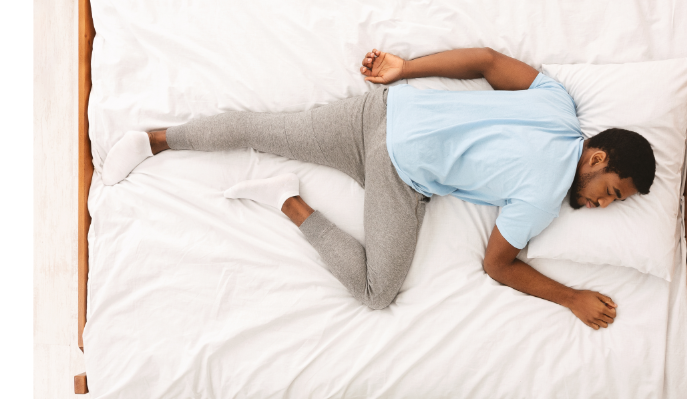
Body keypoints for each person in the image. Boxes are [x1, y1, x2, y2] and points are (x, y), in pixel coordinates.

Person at [102, 48, 656, 330]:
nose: (602, 205)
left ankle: (153, 141)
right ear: (596, 158)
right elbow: (497, 265)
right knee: (375, 292)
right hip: (397, 172)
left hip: (382, 111)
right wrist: (572, 299)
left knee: (262, 129)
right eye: (612, 191)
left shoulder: (558, 102)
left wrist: (404, 68)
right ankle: (286, 201)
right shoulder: (544, 198)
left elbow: (488, 61)